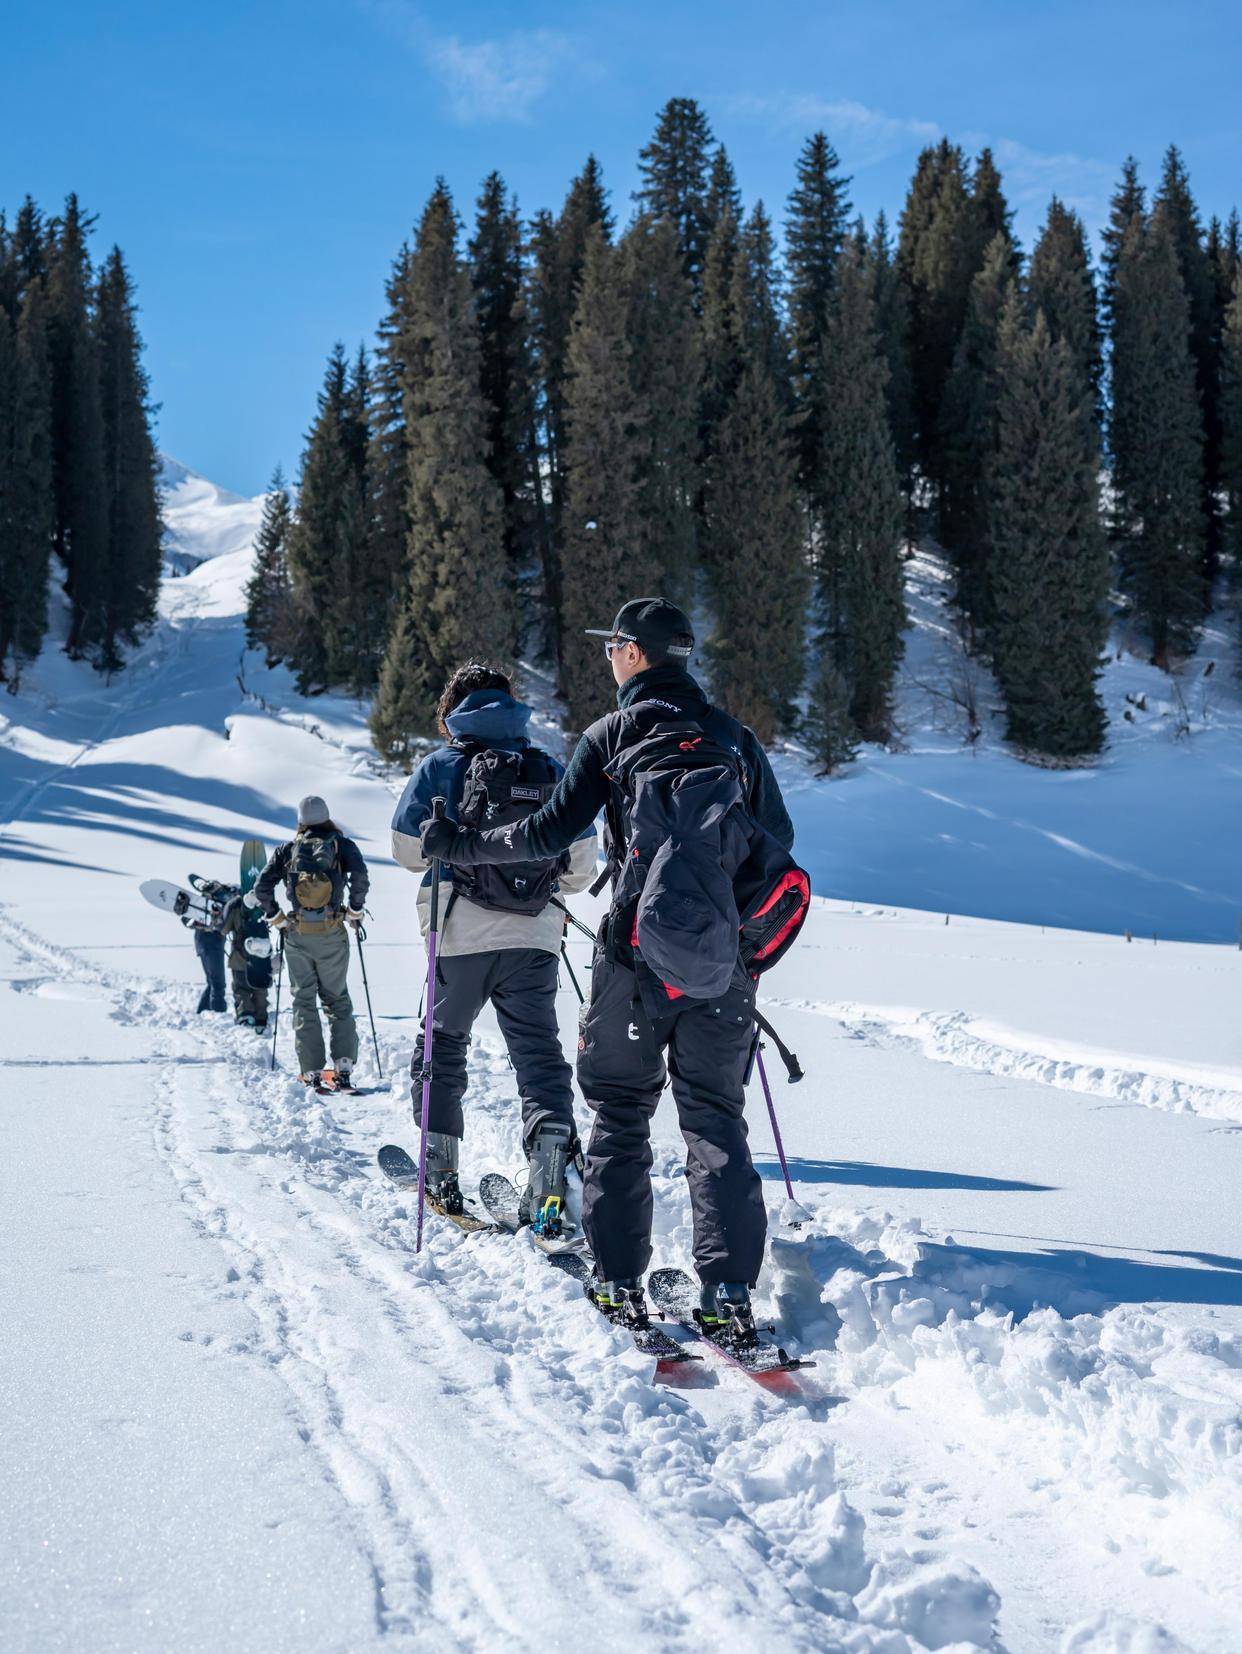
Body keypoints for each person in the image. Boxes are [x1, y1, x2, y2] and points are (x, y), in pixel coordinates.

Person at [421, 598, 795, 1341]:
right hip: (720, 969)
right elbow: (776, 840)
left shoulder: (611, 735)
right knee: (717, 1123)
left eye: (611, 649)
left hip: (630, 958)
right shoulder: (733, 738)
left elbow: (546, 833)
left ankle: (619, 1279)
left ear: (632, 654)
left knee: (621, 1116)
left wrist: (460, 845)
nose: (609, 660)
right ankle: (728, 1294)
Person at [391, 663, 599, 1229]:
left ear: (454, 708)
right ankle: (551, 1179)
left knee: (441, 1046)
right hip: (535, 935)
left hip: (458, 932)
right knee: (537, 1052)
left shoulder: (441, 767)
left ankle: (439, 1173)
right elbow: (581, 868)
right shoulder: (550, 768)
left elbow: (408, 851)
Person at [254, 796, 369, 1089]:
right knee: (337, 998)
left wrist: (276, 917)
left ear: (300, 820)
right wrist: (355, 909)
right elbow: (361, 877)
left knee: (303, 1000)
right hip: (332, 931)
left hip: (298, 933)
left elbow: (262, 886)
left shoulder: (289, 849)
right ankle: (343, 1065)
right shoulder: (342, 845)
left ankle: (312, 1071)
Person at [219, 891, 269, 1030]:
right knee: (260, 988)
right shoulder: (265, 900)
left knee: (241, 989)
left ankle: (245, 1017)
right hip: (262, 955)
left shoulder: (235, 904)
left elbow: (224, 929)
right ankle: (261, 1019)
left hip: (239, 956)